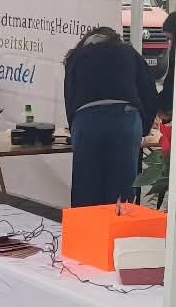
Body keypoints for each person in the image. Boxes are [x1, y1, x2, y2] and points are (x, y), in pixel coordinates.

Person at [64, 27, 159, 208]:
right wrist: (144, 129)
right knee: (121, 191)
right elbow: (149, 93)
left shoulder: (77, 56)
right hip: (125, 120)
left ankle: (87, 225)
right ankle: (120, 224)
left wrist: (74, 128)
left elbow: (70, 97)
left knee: (86, 188)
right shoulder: (129, 53)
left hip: (87, 121)